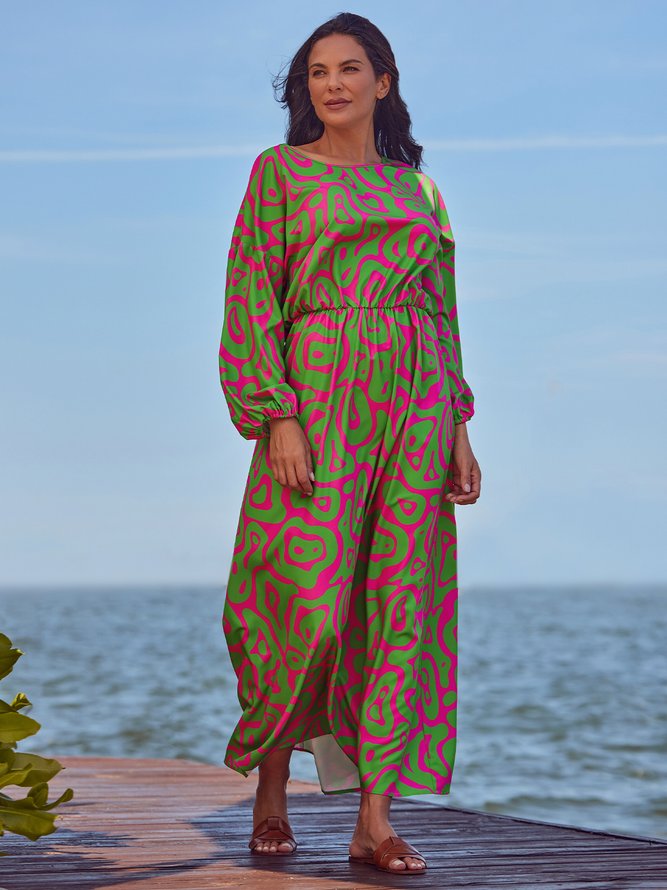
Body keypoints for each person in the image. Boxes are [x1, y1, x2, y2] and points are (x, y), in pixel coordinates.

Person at [217, 11, 482, 876]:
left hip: (416, 403)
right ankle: (271, 787)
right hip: (319, 396)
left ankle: (373, 818)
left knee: (400, 605)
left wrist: (457, 425)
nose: (331, 84)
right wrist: (277, 414)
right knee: (307, 605)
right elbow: (252, 294)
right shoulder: (280, 173)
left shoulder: (419, 192)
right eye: (316, 73)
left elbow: (441, 310)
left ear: (382, 82)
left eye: (348, 68)